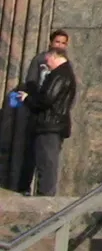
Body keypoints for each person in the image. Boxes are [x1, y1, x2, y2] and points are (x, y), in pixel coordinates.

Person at [3, 29, 68, 191]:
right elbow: (32, 84)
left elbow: (59, 97)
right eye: (57, 42)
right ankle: (21, 186)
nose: (59, 45)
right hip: (35, 115)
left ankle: (43, 193)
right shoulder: (40, 60)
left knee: (47, 162)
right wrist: (31, 101)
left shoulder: (65, 69)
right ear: (50, 43)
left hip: (51, 120)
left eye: (63, 43)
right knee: (29, 154)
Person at [17, 41, 76, 196]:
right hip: (50, 125)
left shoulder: (60, 75)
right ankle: (43, 193)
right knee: (44, 162)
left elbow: (46, 99)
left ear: (55, 56)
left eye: (48, 59)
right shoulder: (62, 74)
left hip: (50, 125)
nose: (46, 63)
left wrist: (27, 99)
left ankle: (45, 196)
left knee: (47, 164)